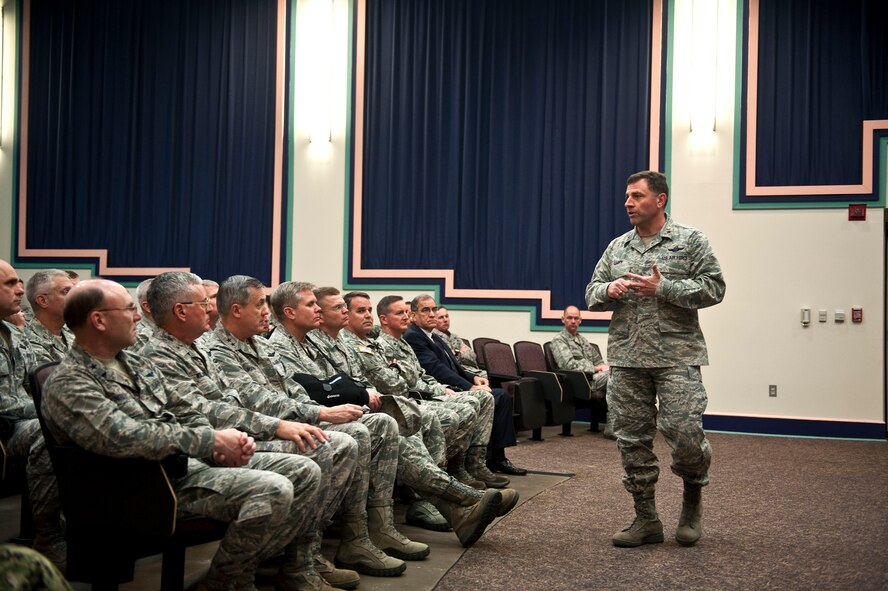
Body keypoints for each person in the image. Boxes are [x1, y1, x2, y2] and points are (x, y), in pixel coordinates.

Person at [41, 279, 324, 590]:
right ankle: (227, 583)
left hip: (179, 467)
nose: (138, 316)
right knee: (272, 489)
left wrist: (218, 445)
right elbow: (124, 437)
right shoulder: (71, 381)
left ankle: (229, 580)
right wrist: (210, 441)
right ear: (99, 320)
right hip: (137, 488)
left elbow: (183, 409)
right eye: (129, 309)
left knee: (304, 470)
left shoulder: (133, 362)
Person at [140, 272, 361, 590]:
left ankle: (293, 561)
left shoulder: (195, 348)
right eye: (203, 303)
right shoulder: (160, 356)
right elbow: (208, 412)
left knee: (330, 443)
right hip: (201, 455)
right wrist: (279, 426)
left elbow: (236, 400)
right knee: (316, 451)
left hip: (234, 438)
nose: (211, 308)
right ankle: (236, 577)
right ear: (181, 311)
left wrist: (295, 420)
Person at [266, 283, 513, 548]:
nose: (317, 309)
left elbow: (343, 383)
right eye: (311, 305)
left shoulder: (311, 342)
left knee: (400, 424)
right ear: (290, 312)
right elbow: (317, 390)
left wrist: (351, 393)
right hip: (316, 418)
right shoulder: (280, 345)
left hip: (344, 409)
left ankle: (449, 508)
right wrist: (349, 395)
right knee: (387, 426)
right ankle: (461, 499)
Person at [202, 276, 414, 577]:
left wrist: (318, 413)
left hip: (284, 421)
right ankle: (304, 555)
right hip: (252, 434)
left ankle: (361, 535)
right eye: (260, 304)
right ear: (237, 310)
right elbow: (255, 401)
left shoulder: (258, 344)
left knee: (378, 423)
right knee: (342, 440)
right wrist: (319, 413)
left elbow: (294, 389)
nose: (267, 310)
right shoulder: (217, 349)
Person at [585, 170, 726, 548]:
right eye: (627, 197)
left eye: (637, 196)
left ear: (660, 199)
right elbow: (591, 293)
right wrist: (609, 289)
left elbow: (714, 288)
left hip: (676, 356)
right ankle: (646, 518)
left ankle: (692, 498)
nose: (628, 203)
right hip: (627, 357)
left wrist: (664, 287)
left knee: (685, 433)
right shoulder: (617, 247)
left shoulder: (690, 240)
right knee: (631, 440)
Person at [404, 294, 527, 477]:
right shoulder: (414, 336)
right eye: (425, 310)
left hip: (454, 384)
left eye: (434, 309)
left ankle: (496, 457)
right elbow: (436, 369)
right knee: (498, 396)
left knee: (500, 396)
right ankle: (484, 460)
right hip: (442, 388)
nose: (432, 314)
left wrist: (473, 378)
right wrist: (469, 387)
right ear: (413, 315)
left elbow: (454, 366)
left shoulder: (434, 336)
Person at [0, 260, 64, 570]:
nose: (20, 289)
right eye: (9, 283)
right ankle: (47, 538)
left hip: (20, 421)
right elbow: (4, 403)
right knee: (51, 429)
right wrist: (50, 411)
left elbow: (29, 386)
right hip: (4, 429)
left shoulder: (13, 333)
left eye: (18, 282)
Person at [550, 305, 614, 439]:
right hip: (579, 382)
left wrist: (603, 367)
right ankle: (612, 427)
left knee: (619, 376)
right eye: (569, 318)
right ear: (563, 319)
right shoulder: (559, 340)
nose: (573, 321)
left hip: (593, 379)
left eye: (576, 318)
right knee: (616, 376)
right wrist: (595, 368)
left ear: (580, 320)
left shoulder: (583, 340)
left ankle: (621, 424)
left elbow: (598, 361)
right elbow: (568, 365)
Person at [23, 269, 75, 365]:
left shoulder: (71, 332)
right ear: (43, 301)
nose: (75, 296)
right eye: (66, 291)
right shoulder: (26, 341)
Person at [433, 307, 485, 377]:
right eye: (441, 317)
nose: (445, 320)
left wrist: (456, 353)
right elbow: (448, 360)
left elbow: (473, 357)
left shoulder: (455, 337)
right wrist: (459, 352)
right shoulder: (434, 338)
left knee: (486, 375)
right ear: (434, 320)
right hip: (456, 373)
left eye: (447, 316)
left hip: (470, 370)